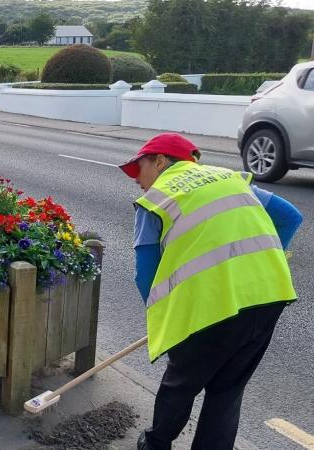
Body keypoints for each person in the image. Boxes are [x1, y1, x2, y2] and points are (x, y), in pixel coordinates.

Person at [119, 133, 303, 450]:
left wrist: (167, 322)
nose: (137, 179)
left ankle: (156, 444)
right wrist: (261, 259)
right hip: (269, 294)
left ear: (160, 161)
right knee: (227, 391)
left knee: (180, 384)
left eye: (140, 167)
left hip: (211, 304)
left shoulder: (156, 199)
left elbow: (145, 276)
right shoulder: (229, 178)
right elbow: (289, 217)